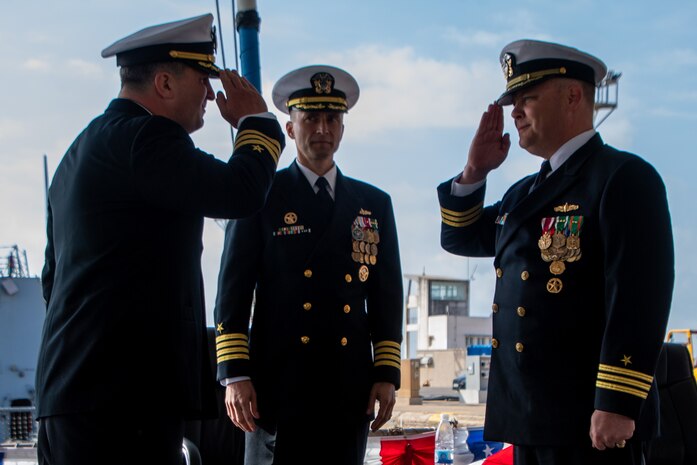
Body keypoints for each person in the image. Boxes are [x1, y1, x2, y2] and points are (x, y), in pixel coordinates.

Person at [35, 13, 285, 465]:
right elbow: (240, 191)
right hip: (123, 406)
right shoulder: (147, 138)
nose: (210, 94)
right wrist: (257, 119)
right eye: (203, 80)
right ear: (165, 83)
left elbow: (51, 283)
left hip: (72, 399)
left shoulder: (80, 151)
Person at [437, 39, 674, 465]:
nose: (515, 112)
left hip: (590, 419)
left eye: (527, 97)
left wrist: (617, 402)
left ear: (572, 96)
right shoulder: (523, 193)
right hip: (529, 414)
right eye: (514, 101)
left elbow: (638, 299)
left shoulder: (623, 178)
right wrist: (475, 172)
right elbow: (462, 236)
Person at [213, 65, 403, 465]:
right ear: (290, 128)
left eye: (332, 118)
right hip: (278, 389)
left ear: (343, 128)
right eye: (311, 118)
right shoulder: (261, 195)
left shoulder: (373, 205)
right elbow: (233, 289)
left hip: (347, 388)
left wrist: (385, 373)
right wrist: (235, 373)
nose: (322, 129)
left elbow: (386, 298)